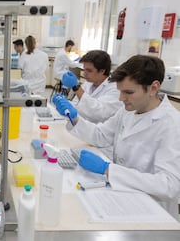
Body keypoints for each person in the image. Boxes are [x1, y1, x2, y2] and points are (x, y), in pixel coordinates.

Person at [53, 55, 180, 218]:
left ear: (153, 88)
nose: (121, 98)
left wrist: (108, 169)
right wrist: (74, 118)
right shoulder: (128, 111)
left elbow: (169, 186)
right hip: (120, 196)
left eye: (128, 92)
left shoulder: (172, 124)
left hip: (152, 211)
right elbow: (100, 135)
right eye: (120, 91)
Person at [60, 50, 122, 123]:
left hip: (98, 130)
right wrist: (65, 103)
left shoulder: (115, 89)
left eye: (89, 71)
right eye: (84, 69)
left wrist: (76, 87)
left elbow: (99, 113)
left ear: (102, 71)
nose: (84, 74)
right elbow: (76, 103)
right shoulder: (88, 83)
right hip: (81, 125)